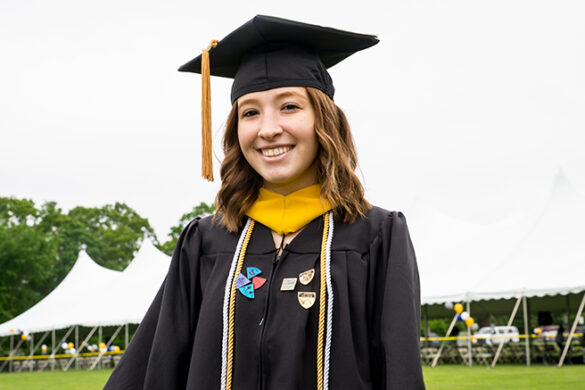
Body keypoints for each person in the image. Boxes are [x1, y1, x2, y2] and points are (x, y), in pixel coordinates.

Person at [104, 15, 424, 389]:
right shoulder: (205, 242)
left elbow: (400, 371)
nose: (268, 129)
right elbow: (156, 366)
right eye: (250, 112)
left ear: (326, 120)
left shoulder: (376, 237)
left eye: (289, 107)